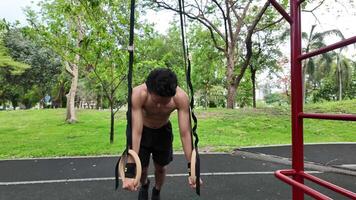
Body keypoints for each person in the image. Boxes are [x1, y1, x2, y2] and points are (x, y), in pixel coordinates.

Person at [122, 68, 201, 200]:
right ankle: (145, 184)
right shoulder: (138, 94)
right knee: (143, 168)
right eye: (156, 101)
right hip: (143, 131)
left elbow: (186, 134)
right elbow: (136, 131)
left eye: (164, 102)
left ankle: (157, 190)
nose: (159, 105)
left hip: (163, 132)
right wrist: (130, 171)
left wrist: (192, 169)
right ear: (149, 89)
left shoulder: (180, 97)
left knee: (160, 167)